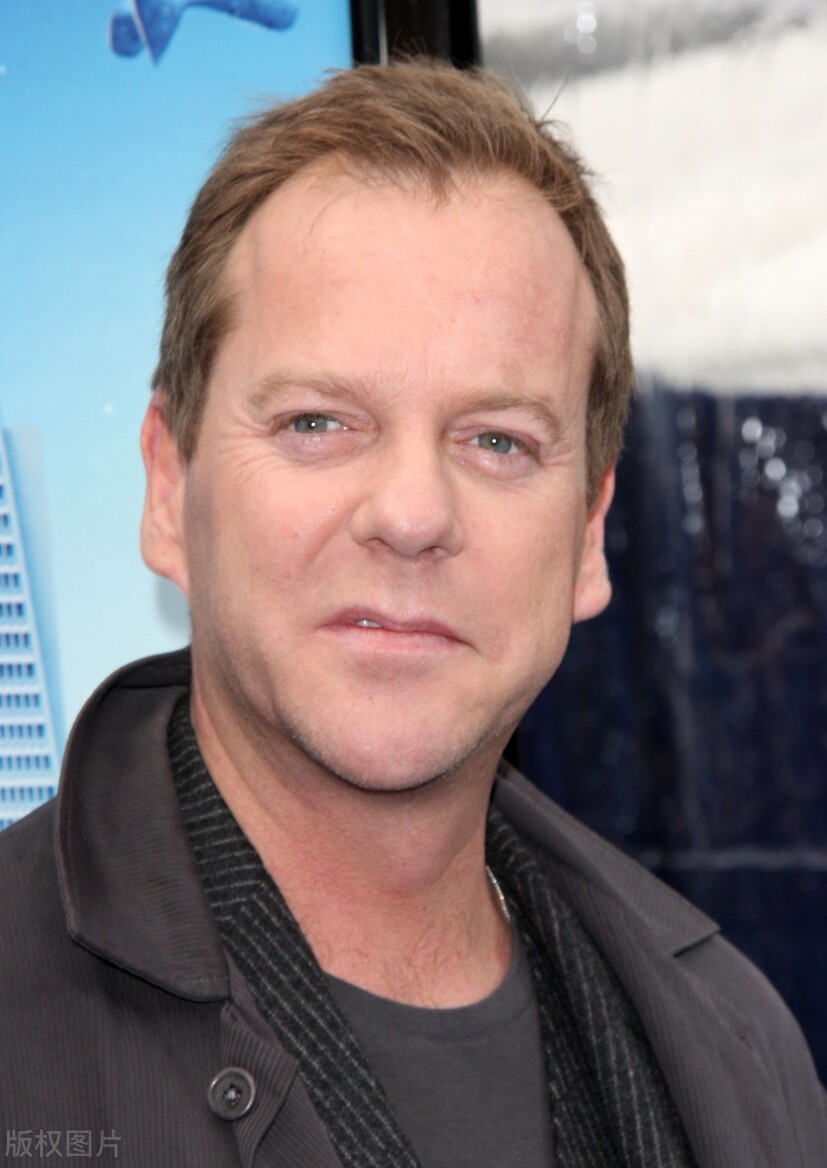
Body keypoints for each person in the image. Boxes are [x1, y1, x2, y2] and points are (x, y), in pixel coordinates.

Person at [0, 59, 823, 1168]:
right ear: (168, 486)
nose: (410, 514)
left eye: (497, 441)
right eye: (317, 423)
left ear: (588, 534)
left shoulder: (742, 1053)